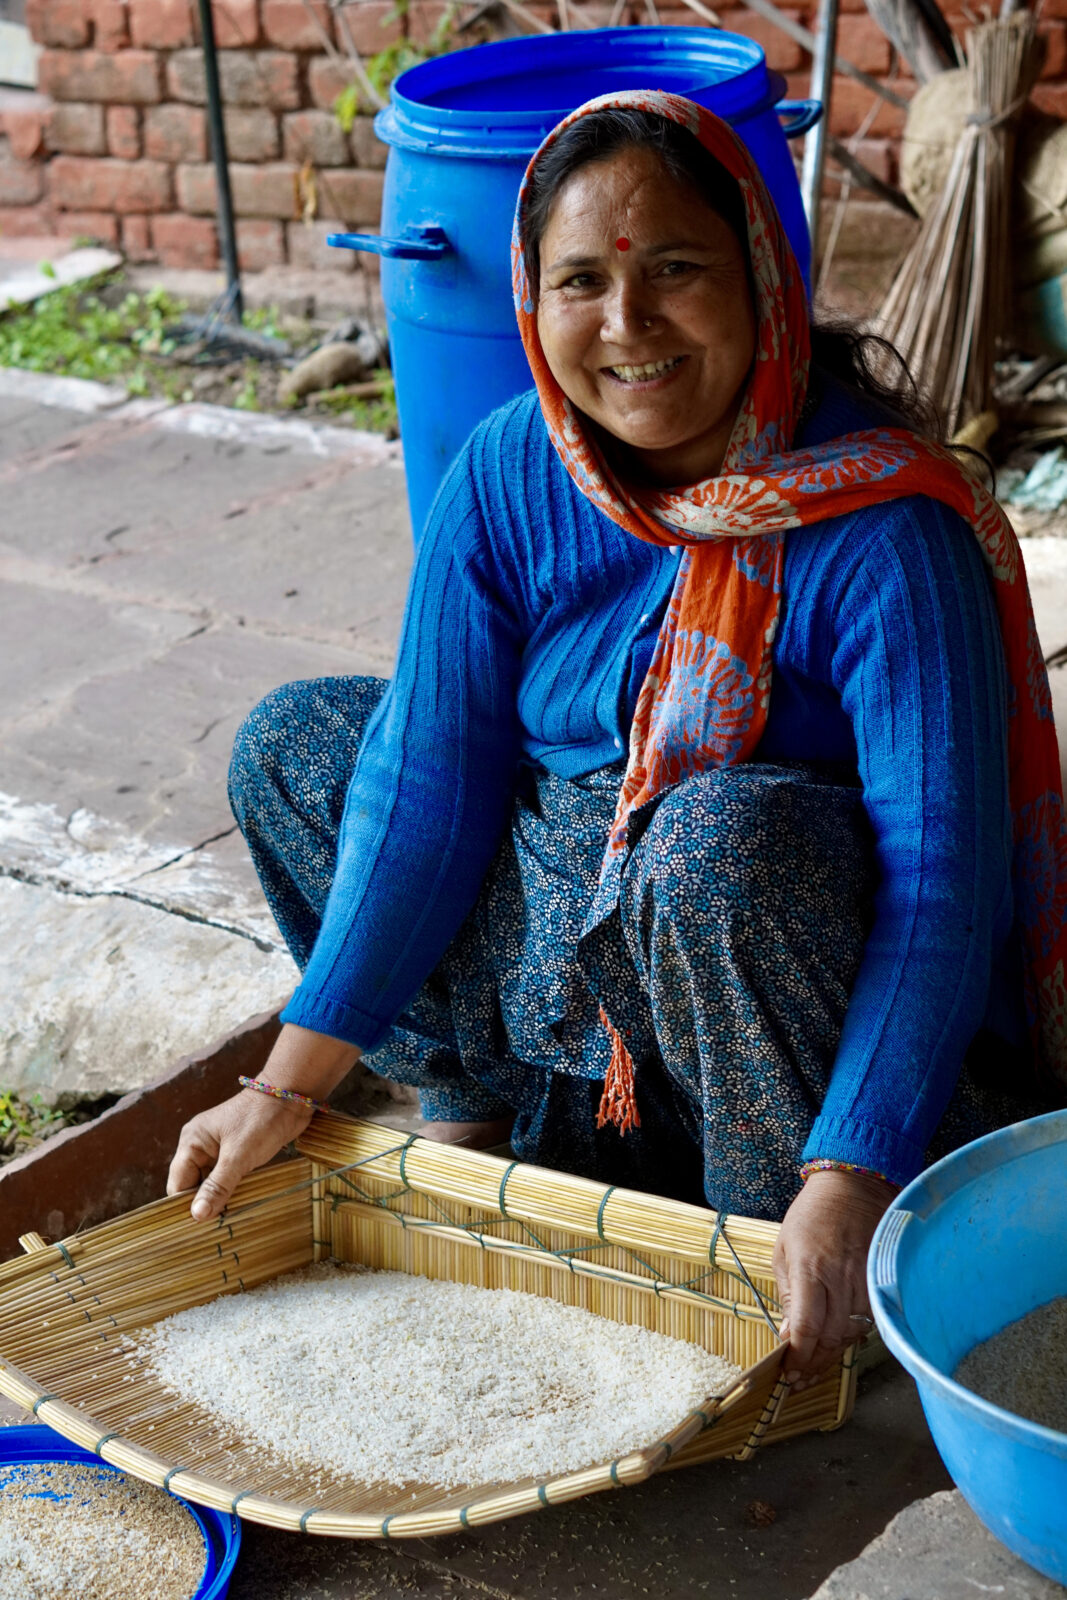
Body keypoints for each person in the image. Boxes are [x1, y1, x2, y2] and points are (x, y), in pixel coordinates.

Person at [168, 90, 1066, 1391]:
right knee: (301, 744)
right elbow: (433, 777)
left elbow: (940, 891)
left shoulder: (883, 530)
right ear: (533, 302)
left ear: (761, 276)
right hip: (566, 960)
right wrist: (287, 1085)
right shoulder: (511, 470)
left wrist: (848, 1166)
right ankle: (482, 1106)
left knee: (716, 839)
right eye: (581, 281)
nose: (628, 326)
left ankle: (766, 1227)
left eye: (676, 272)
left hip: (777, 1018)